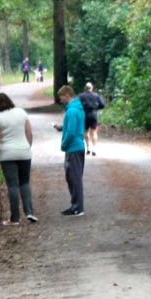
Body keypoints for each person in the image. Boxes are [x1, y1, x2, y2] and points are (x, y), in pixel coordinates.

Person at [0, 92, 37, 225]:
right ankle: (29, 213)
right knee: (25, 183)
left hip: (7, 154)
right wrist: (27, 147)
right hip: (24, 152)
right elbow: (29, 133)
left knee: (13, 186)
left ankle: (15, 218)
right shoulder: (21, 112)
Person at [53, 84, 86, 216]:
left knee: (74, 178)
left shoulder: (72, 111)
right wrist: (61, 128)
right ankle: (76, 205)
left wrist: (64, 145)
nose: (60, 100)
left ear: (67, 95)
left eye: (61, 97)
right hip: (78, 146)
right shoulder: (77, 109)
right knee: (72, 177)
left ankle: (77, 207)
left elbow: (71, 132)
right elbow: (72, 127)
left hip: (73, 147)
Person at [78, 82, 107, 156]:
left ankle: (88, 148)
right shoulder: (96, 96)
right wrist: (96, 108)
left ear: (85, 88)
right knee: (94, 132)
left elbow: (78, 105)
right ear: (92, 88)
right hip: (93, 115)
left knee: (86, 132)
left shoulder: (81, 96)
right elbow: (103, 105)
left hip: (84, 115)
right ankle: (94, 148)